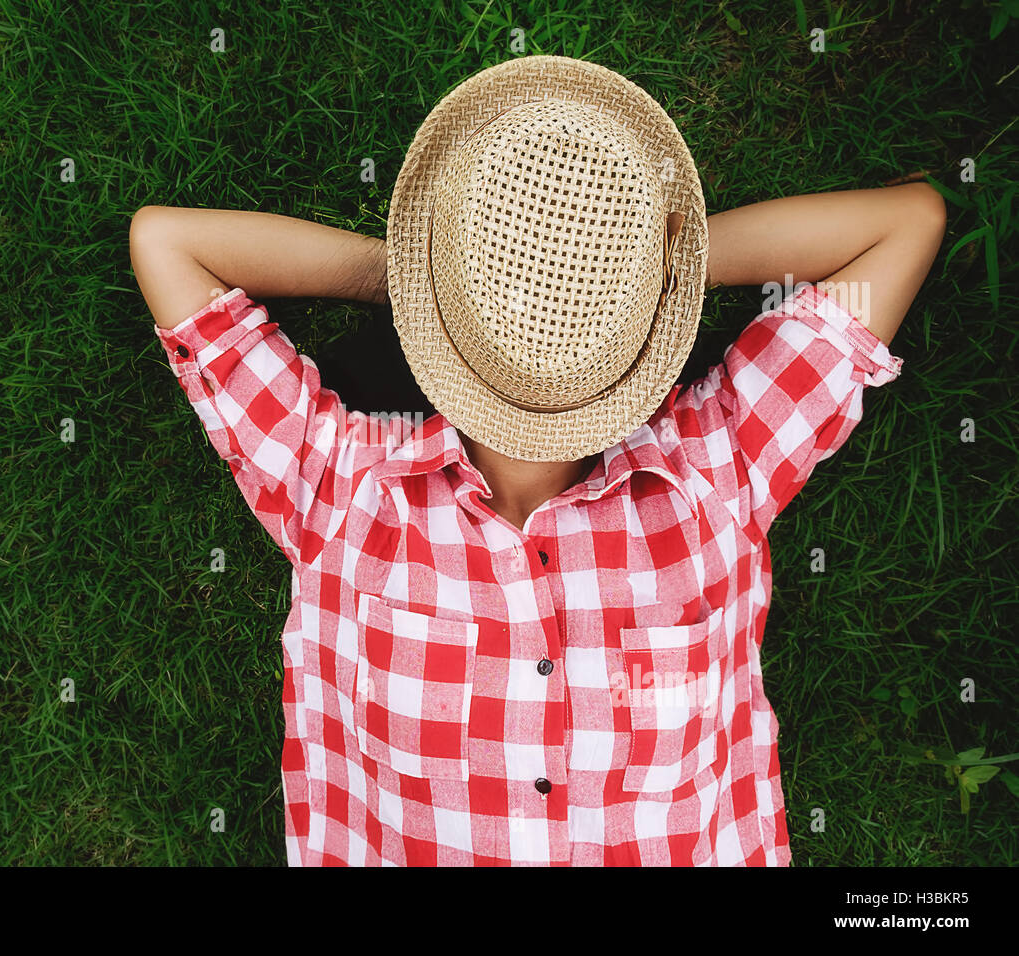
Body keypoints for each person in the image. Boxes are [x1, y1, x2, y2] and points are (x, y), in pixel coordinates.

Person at [130, 56, 945, 865]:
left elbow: (906, 223)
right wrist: (515, 280)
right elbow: (166, 242)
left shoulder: (709, 472)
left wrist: (542, 279)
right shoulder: (350, 486)